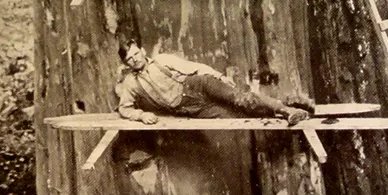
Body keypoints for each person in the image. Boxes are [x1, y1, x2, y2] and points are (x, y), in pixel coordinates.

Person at [115, 41, 314, 126]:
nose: (135, 59)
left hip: (199, 85)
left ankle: (287, 110)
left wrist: (218, 77)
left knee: (241, 99)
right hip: (189, 108)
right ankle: (290, 108)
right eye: (130, 59)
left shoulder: (162, 59)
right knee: (235, 117)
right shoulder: (131, 83)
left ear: (141, 50)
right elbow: (124, 108)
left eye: (135, 54)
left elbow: (194, 67)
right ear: (126, 64)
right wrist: (141, 115)